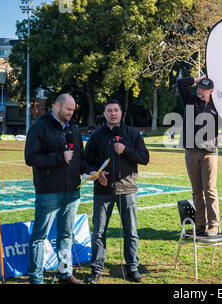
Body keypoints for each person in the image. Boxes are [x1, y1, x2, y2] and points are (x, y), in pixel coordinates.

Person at [25, 94, 96, 284]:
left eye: (73, 110)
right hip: (48, 192)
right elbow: (30, 158)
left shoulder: (73, 127)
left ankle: (65, 273)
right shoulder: (40, 126)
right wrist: (58, 157)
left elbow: (79, 158)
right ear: (57, 106)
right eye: (68, 109)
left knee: (66, 235)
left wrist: (92, 171)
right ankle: (36, 278)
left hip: (72, 192)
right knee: (39, 236)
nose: (72, 113)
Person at [85, 99, 149, 284]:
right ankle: (96, 269)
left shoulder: (133, 134)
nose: (113, 113)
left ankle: (132, 267)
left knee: (131, 231)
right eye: (109, 111)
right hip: (103, 189)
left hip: (128, 189)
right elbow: (86, 161)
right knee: (98, 232)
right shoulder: (96, 137)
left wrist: (126, 150)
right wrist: (96, 173)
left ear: (121, 113)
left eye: (116, 110)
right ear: (104, 114)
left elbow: (144, 158)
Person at [177, 75, 221, 236]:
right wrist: (198, 78)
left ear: (211, 91)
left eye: (204, 88)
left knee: (209, 189)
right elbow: (181, 83)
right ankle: (200, 224)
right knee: (196, 191)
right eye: (199, 87)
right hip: (191, 152)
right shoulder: (190, 99)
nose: (200, 90)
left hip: (209, 153)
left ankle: (214, 224)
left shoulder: (217, 106)